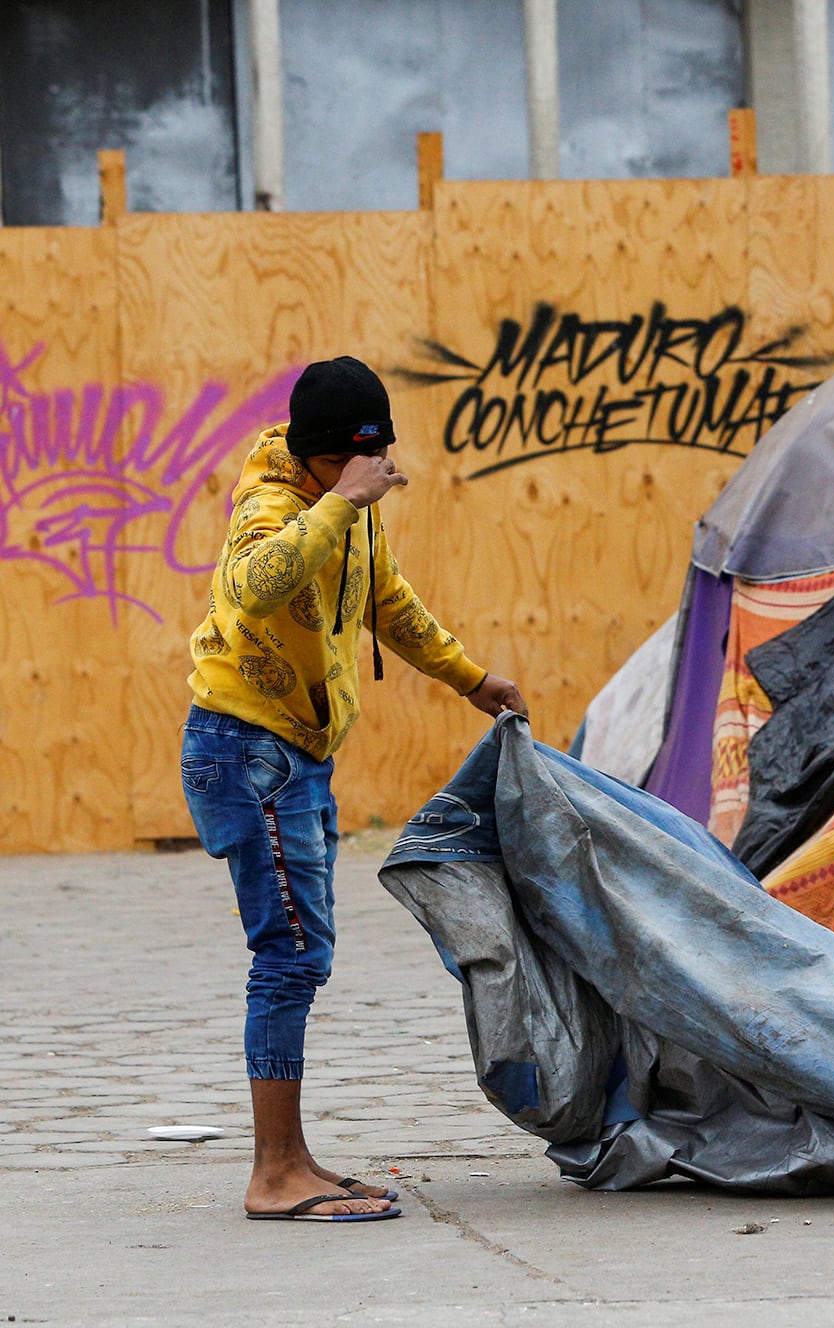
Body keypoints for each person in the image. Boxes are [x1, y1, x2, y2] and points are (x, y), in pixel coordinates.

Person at [181, 357, 527, 1222]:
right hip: (247, 750)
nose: (363, 475)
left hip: (292, 751)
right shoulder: (271, 503)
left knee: (301, 952)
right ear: (316, 456)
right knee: (288, 954)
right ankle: (273, 1176)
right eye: (345, 461)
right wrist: (342, 503)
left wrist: (469, 678)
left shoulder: (346, 505)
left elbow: (386, 600)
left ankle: (292, 1159)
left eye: (372, 460)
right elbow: (251, 588)